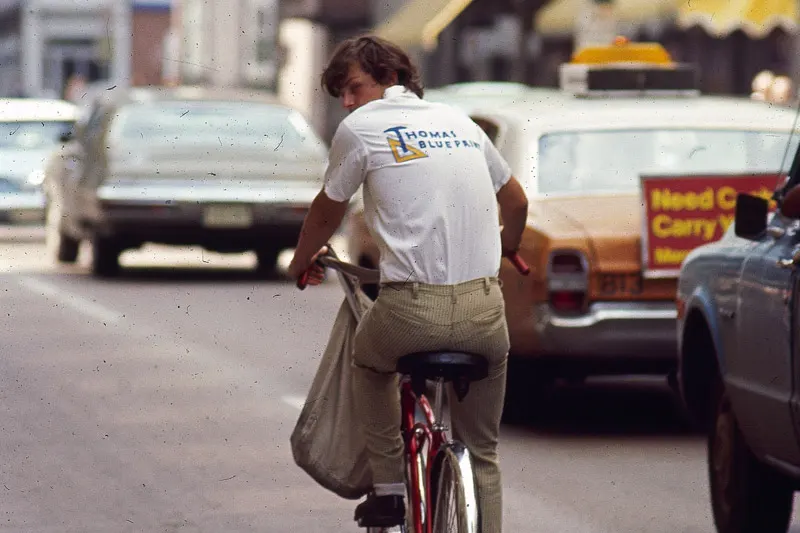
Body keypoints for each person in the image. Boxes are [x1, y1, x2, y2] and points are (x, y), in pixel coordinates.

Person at [288, 35, 529, 531]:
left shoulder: (360, 129)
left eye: (354, 88)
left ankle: (392, 486)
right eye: (342, 96)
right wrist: (508, 247)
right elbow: (518, 204)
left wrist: (300, 261)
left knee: (369, 359)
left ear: (390, 78)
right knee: (484, 450)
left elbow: (325, 211)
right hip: (486, 314)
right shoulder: (462, 123)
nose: (349, 103)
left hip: (410, 314)